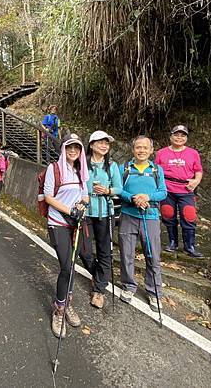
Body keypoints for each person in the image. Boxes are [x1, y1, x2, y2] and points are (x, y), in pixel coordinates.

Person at [44, 133, 93, 338]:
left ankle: (67, 301)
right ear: (63, 149)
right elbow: (48, 197)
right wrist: (68, 210)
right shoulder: (54, 169)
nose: (73, 151)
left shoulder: (80, 170)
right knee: (66, 265)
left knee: (72, 265)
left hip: (76, 223)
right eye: (69, 147)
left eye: (77, 147)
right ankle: (59, 309)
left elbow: (85, 195)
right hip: (58, 223)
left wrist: (82, 205)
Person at [118, 136, 167, 312]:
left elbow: (163, 192)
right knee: (126, 253)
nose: (141, 150)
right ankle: (128, 286)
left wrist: (147, 197)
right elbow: (118, 189)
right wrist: (132, 198)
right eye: (138, 147)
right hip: (128, 215)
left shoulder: (156, 170)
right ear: (133, 149)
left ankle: (154, 292)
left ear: (151, 150)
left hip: (151, 216)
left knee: (153, 255)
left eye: (145, 148)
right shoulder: (124, 168)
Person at [86, 131, 123, 309]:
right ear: (91, 144)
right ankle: (98, 273)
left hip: (105, 213)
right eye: (100, 142)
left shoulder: (111, 165)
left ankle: (99, 290)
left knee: (104, 250)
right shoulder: (82, 163)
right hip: (84, 212)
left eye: (107, 143)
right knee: (83, 250)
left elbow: (119, 188)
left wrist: (108, 191)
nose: (104, 146)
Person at [155, 125, 204, 258]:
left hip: (186, 189)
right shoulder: (161, 153)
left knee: (189, 216)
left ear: (186, 138)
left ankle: (190, 246)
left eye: (183, 135)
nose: (179, 138)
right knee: (167, 214)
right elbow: (155, 171)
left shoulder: (193, 153)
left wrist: (196, 181)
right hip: (167, 189)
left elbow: (198, 170)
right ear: (170, 136)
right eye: (176, 134)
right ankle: (172, 242)